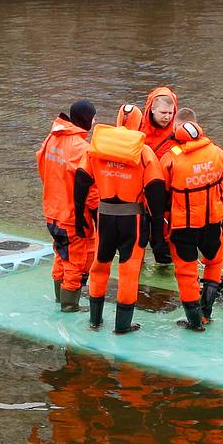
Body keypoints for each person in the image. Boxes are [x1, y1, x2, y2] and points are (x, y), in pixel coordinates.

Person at [73, 119, 166, 335]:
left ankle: (95, 320)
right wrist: (157, 233)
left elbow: (81, 178)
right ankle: (122, 326)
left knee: (99, 266)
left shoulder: (98, 148)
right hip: (131, 219)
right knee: (129, 272)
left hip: (104, 216)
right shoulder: (144, 152)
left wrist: (79, 216)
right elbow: (156, 189)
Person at [160, 120, 223, 331]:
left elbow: (159, 195)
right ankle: (207, 314)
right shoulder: (218, 153)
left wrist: (159, 229)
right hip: (214, 222)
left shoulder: (170, 159)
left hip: (183, 227)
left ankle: (194, 322)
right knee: (214, 263)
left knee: (186, 273)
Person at [36, 98, 97, 312]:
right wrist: (97, 214)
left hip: (52, 210)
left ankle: (59, 297)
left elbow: (42, 167)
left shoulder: (51, 139)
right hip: (72, 215)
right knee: (75, 262)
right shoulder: (82, 148)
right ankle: (69, 305)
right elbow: (91, 189)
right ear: (86, 119)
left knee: (60, 254)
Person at [140, 86, 178, 265]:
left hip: (166, 197)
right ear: (152, 109)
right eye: (163, 112)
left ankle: (164, 263)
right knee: (138, 239)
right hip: (140, 194)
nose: (167, 117)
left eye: (170, 113)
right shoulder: (138, 129)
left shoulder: (179, 132)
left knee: (163, 243)